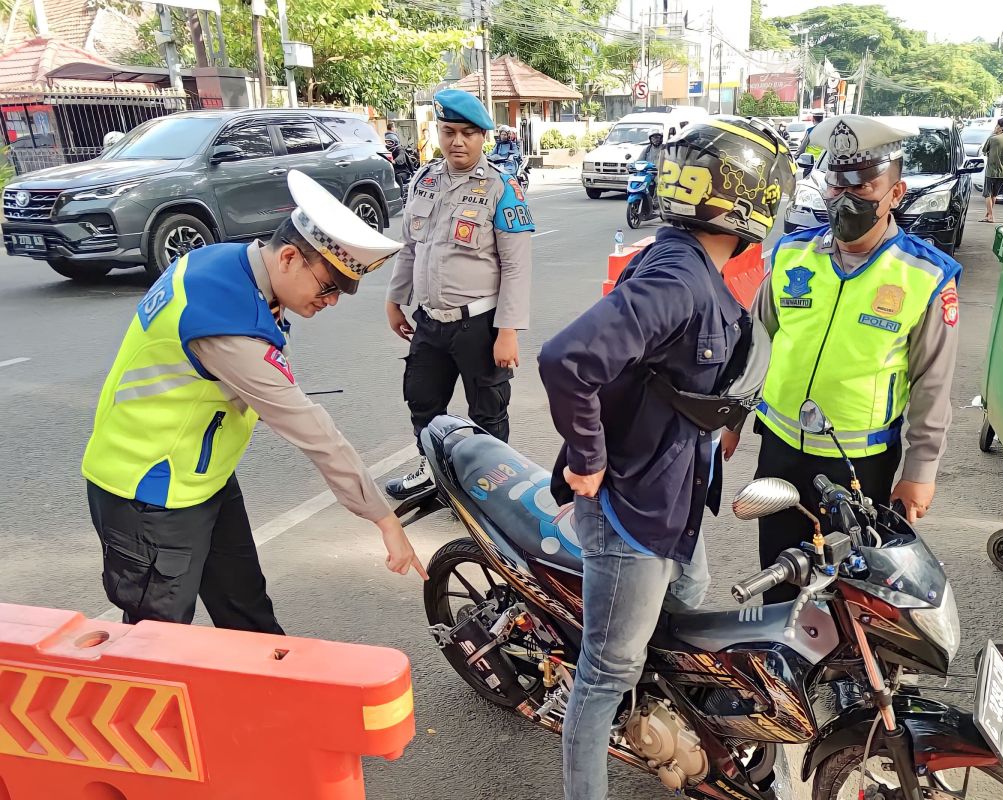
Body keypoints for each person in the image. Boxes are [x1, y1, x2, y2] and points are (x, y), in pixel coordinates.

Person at [539, 116, 795, 800]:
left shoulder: (686, 257)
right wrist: (587, 460)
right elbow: (567, 360)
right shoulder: (681, 275)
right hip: (632, 510)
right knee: (605, 670)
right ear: (746, 200)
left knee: (689, 600)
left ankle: (659, 716)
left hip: (672, 494)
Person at [82, 170, 426, 633]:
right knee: (155, 639)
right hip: (149, 491)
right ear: (288, 256)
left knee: (247, 612)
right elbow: (312, 431)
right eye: (328, 287)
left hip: (203, 476)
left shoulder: (222, 262)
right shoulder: (226, 319)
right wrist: (384, 520)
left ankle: (271, 702)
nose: (331, 302)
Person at [723, 114, 961, 608]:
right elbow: (754, 342)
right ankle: (786, 673)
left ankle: (847, 681)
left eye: (865, 185)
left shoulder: (925, 276)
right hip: (781, 448)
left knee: (850, 584)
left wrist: (921, 468)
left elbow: (932, 383)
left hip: (860, 463)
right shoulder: (792, 255)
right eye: (835, 182)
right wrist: (731, 417)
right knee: (781, 574)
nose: (845, 197)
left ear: (896, 193)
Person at [385, 89, 534, 501]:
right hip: (430, 321)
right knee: (423, 404)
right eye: (449, 131)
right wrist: (395, 299)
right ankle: (433, 475)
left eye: (468, 133)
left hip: (480, 325)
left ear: (483, 137)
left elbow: (517, 266)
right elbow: (411, 247)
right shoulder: (424, 179)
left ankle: (491, 488)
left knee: (487, 412)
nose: (457, 142)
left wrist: (508, 330)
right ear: (438, 131)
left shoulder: (502, 189)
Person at [980, 117, 1003, 222]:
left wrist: (992, 134)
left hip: (991, 170)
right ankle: (988, 215)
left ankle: (990, 216)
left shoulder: (993, 138)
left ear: (1001, 128)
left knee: (987, 194)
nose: (995, 127)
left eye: (997, 125)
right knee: (994, 194)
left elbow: (984, 150)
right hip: (1002, 170)